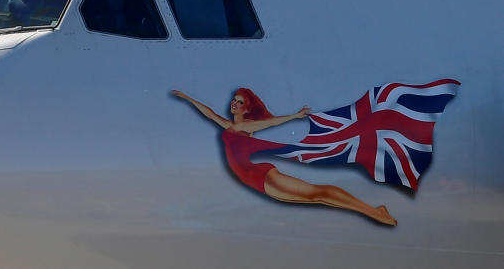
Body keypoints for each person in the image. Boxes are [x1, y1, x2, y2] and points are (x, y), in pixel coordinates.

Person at [170, 88, 397, 226]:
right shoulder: (230, 126)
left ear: (247, 109)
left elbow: (272, 122)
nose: (234, 103)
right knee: (314, 197)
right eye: (234, 99)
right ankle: (373, 211)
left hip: (260, 176)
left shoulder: (247, 126)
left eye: (240, 101)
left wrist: (295, 116)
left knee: (317, 193)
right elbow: (209, 114)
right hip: (253, 179)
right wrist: (188, 98)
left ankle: (374, 211)